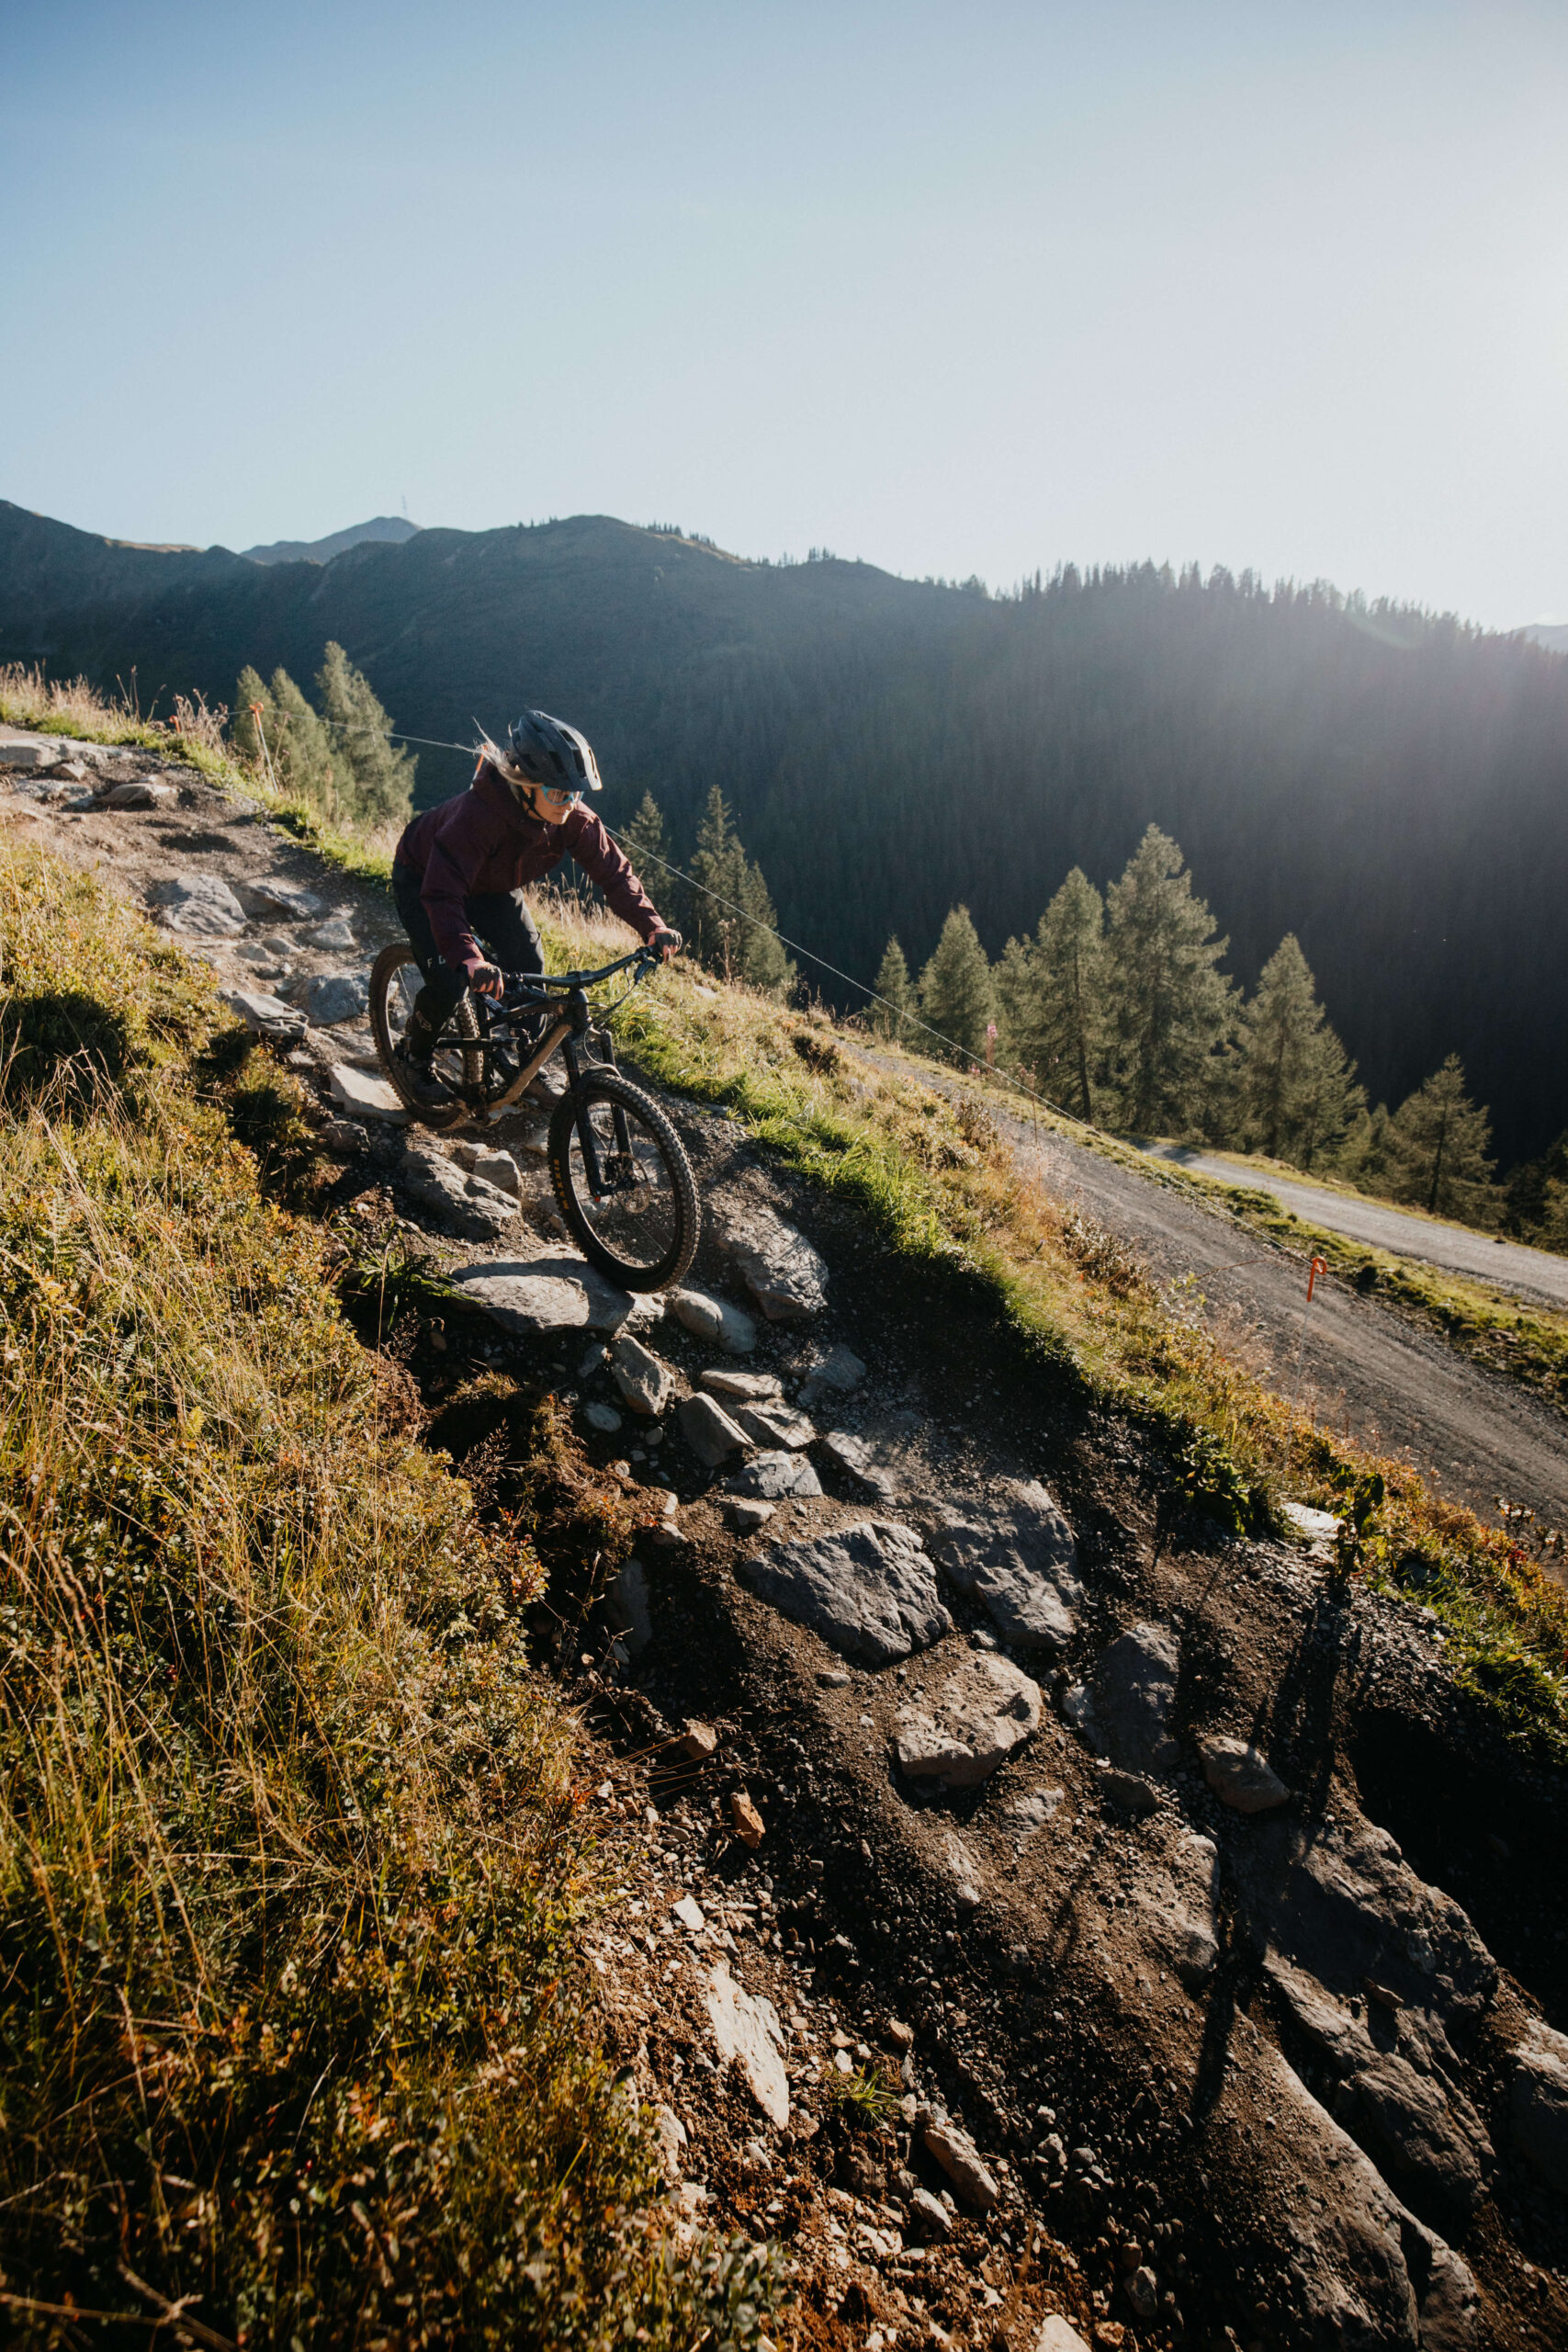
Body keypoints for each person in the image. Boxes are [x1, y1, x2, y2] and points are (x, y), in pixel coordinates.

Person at [389, 709, 679, 1108]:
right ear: (526, 785)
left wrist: (651, 924)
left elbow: (613, 871)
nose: (569, 803)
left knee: (530, 961)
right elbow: (441, 894)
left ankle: (521, 1057)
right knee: (450, 979)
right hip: (425, 878)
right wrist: (469, 959)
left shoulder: (571, 817)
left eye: (576, 793)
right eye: (559, 793)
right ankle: (413, 1056)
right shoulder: (479, 816)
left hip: (491, 886)